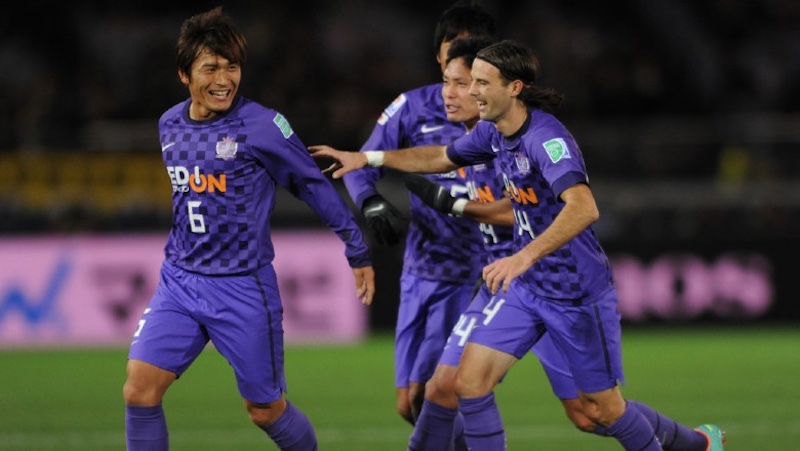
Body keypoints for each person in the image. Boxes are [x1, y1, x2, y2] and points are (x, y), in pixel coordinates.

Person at [309, 39, 726, 451]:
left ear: (514, 88)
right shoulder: (493, 133)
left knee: (602, 411)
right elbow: (441, 156)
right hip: (526, 289)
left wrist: (522, 255)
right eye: (469, 82)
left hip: (574, 291)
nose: (471, 92)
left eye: (481, 83)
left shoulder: (546, 139)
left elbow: (585, 208)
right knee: (467, 383)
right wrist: (368, 159)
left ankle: (695, 445)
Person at [122, 7, 375, 451]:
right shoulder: (169, 124)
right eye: (211, 68)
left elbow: (312, 185)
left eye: (232, 67)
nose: (224, 79)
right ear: (185, 74)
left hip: (242, 287)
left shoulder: (262, 126)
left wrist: (356, 249)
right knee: (139, 390)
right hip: (180, 281)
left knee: (264, 410)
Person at [340, 0, 497, 427]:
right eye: (454, 48)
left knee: (442, 392)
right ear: (439, 56)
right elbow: (358, 164)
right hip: (422, 269)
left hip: (477, 275)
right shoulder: (412, 107)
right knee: (410, 403)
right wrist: (370, 202)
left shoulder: (502, 120)